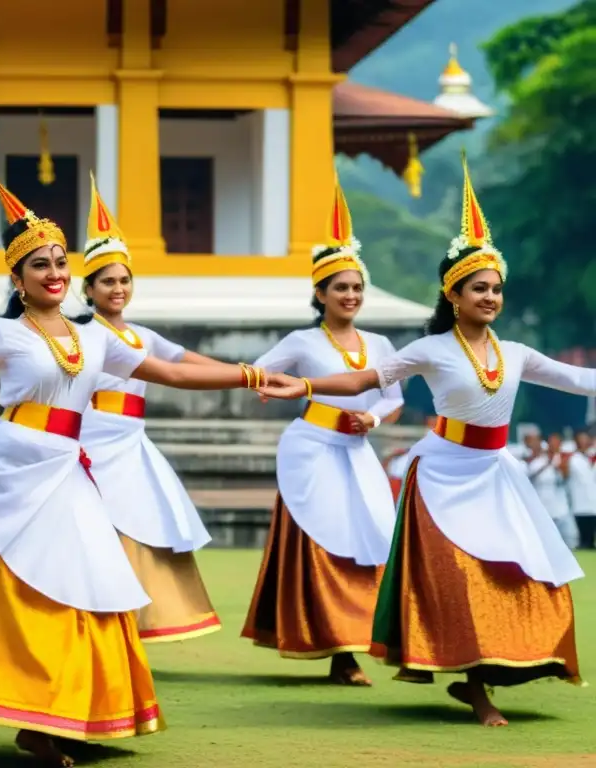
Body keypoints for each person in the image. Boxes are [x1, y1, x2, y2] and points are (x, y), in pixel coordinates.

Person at [0, 163, 278, 767]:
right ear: (18, 276)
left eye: (62, 262)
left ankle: (68, 711)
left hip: (68, 468)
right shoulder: (2, 334)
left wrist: (253, 375)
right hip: (10, 470)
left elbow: (172, 373)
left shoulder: (96, 339)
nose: (55, 273)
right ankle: (31, 716)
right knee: (18, 593)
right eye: (41, 264)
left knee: (87, 582)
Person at [257, 154, 593, 727]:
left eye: (495, 289)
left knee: (523, 568)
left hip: (496, 472)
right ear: (454, 295)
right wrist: (306, 383)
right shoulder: (430, 350)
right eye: (477, 288)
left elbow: (579, 377)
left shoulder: (516, 355)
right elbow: (366, 380)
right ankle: (476, 685)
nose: (489, 297)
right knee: (461, 577)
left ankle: (505, 664)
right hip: (441, 475)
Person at [240, 175, 403, 685]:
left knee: (371, 538)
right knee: (323, 544)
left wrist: (372, 418)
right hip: (312, 449)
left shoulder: (379, 345)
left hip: (357, 450)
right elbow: (260, 372)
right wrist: (274, 386)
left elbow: (394, 397)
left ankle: (362, 639)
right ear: (321, 293)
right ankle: (339, 650)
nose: (350, 295)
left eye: (357, 287)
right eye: (341, 288)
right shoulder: (300, 339)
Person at [74, 174, 222, 643]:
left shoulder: (142, 335)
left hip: (131, 439)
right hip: (93, 436)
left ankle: (138, 619)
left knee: (143, 520)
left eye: (123, 280)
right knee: (98, 520)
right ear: (89, 289)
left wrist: (246, 372)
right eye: (107, 282)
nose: (117, 289)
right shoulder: (83, 334)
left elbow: (183, 360)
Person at [527, 432, 577, 549]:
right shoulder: (539, 460)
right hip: (542, 503)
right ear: (548, 444)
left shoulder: (562, 460)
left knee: (568, 539)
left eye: (557, 443)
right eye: (552, 443)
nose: (554, 445)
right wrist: (547, 464)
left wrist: (560, 464)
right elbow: (530, 476)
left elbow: (566, 476)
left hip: (560, 505)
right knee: (544, 539)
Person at [567, 430, 596, 549]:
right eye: (581, 440)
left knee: (591, 540)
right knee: (583, 538)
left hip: (593, 501)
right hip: (580, 502)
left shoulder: (592, 457)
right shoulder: (573, 459)